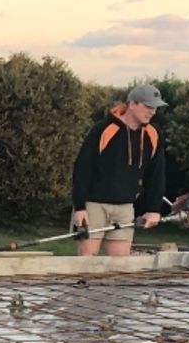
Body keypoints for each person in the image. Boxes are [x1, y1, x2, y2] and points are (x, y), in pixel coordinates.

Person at [71, 84, 170, 257]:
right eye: (148, 106)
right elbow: (82, 169)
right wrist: (80, 206)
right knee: (86, 261)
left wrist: (153, 209)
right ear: (132, 104)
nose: (152, 112)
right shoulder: (103, 130)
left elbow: (156, 175)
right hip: (94, 205)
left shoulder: (153, 134)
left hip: (125, 208)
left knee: (120, 265)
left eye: (155, 108)